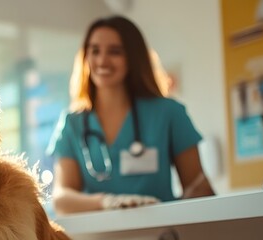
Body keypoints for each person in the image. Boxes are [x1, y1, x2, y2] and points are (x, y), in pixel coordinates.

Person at [48, 16, 215, 215]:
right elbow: (62, 200)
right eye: (94, 51)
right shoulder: (72, 123)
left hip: (159, 232)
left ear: (133, 57)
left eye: (115, 52)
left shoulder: (169, 113)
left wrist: (167, 213)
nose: (102, 60)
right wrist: (107, 202)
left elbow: (199, 187)